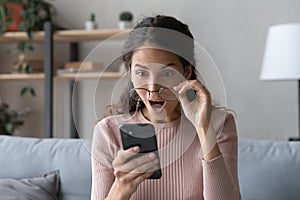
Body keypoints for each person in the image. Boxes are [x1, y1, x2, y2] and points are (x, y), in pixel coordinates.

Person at [91, 15, 241, 200]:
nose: (153, 88)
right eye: (141, 73)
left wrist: (203, 128)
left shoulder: (220, 124)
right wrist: (122, 187)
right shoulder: (108, 132)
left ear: (186, 72)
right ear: (130, 73)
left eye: (167, 73)